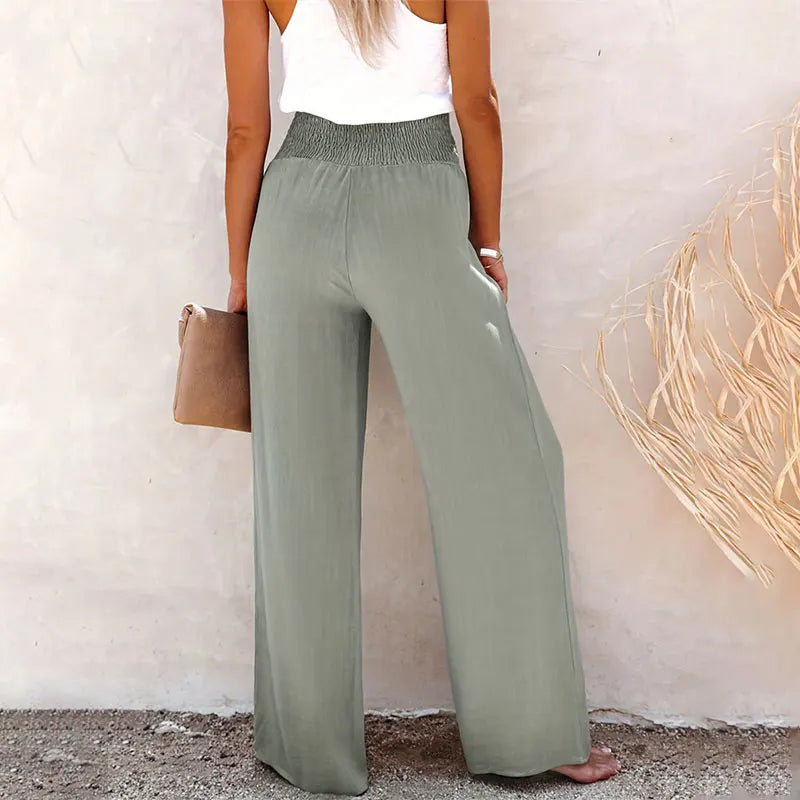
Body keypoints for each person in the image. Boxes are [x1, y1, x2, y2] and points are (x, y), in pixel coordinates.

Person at [221, 0, 620, 794]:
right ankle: (529, 735)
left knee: (299, 489)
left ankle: (308, 749)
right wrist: (488, 241)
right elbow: (477, 103)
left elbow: (244, 132)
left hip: (291, 215)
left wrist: (241, 274)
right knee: (503, 467)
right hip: (419, 208)